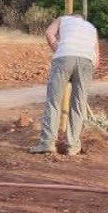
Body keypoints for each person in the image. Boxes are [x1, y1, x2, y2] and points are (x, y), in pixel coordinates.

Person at [29, 13, 100, 156]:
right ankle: (72, 146)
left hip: (64, 57)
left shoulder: (63, 19)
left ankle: (47, 143)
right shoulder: (91, 28)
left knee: (54, 101)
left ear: (71, 16)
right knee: (78, 105)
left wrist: (58, 48)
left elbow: (49, 33)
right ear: (82, 19)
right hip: (86, 62)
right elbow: (97, 59)